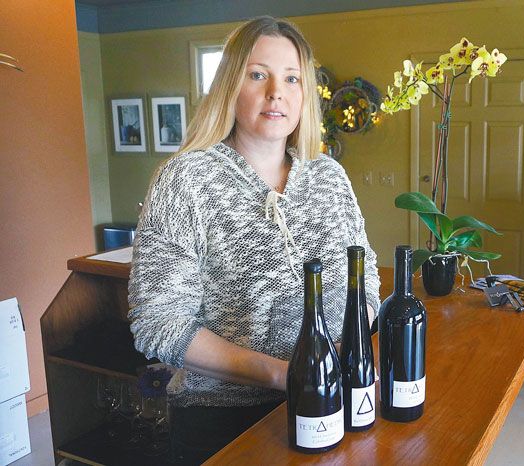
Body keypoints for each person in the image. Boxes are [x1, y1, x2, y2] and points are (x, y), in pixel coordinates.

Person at [127, 16, 380, 464]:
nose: (275, 92)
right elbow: (158, 324)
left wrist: (351, 348)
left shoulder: (329, 176)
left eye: (291, 78)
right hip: (227, 423)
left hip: (337, 402)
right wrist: (286, 375)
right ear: (230, 85)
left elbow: (368, 279)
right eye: (258, 74)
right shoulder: (185, 180)